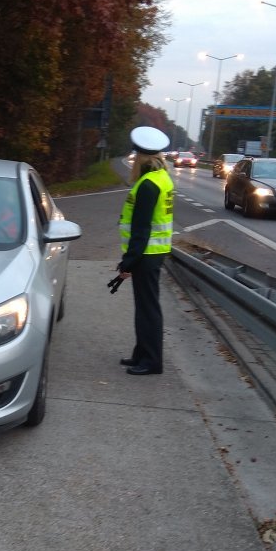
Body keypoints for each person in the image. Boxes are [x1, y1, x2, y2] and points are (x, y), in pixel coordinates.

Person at [116, 126, 174, 376]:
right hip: (152, 253)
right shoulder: (160, 177)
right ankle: (141, 354)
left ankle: (151, 361)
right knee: (146, 308)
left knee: (148, 310)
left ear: (140, 158)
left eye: (134, 158)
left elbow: (141, 229)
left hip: (147, 254)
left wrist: (127, 262)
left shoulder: (148, 185)